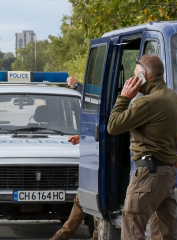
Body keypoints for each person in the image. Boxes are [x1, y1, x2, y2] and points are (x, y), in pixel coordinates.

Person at [107, 55, 177, 240]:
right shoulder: (176, 99)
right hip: (168, 175)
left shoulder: (146, 102)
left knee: (132, 226)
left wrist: (124, 98)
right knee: (165, 232)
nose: (133, 79)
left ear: (144, 76)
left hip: (148, 175)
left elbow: (113, 126)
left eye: (136, 75)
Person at [50, 76, 98, 240]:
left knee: (93, 196)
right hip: (98, 152)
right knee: (85, 196)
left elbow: (99, 100)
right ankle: (63, 236)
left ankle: (64, 236)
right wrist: (84, 135)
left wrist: (78, 86)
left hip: (107, 156)